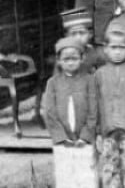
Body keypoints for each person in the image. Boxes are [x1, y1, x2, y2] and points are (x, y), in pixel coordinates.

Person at [43, 37, 98, 188]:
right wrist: (61, 137)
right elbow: (49, 112)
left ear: (82, 58)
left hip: (84, 140)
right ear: (58, 61)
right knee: (65, 175)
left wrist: (86, 136)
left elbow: (93, 110)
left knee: (86, 175)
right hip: (63, 140)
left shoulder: (89, 80)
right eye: (66, 59)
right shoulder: (52, 83)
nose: (70, 62)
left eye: (74, 58)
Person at [94, 24, 125, 188]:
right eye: (113, 47)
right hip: (107, 128)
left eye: (122, 47)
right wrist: (97, 131)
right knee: (109, 165)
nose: (117, 52)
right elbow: (96, 102)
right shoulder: (99, 74)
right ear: (105, 49)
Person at [60, 7, 105, 71]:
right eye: (73, 34)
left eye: (82, 33)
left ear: (90, 34)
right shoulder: (63, 56)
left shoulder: (96, 53)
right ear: (67, 36)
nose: (78, 38)